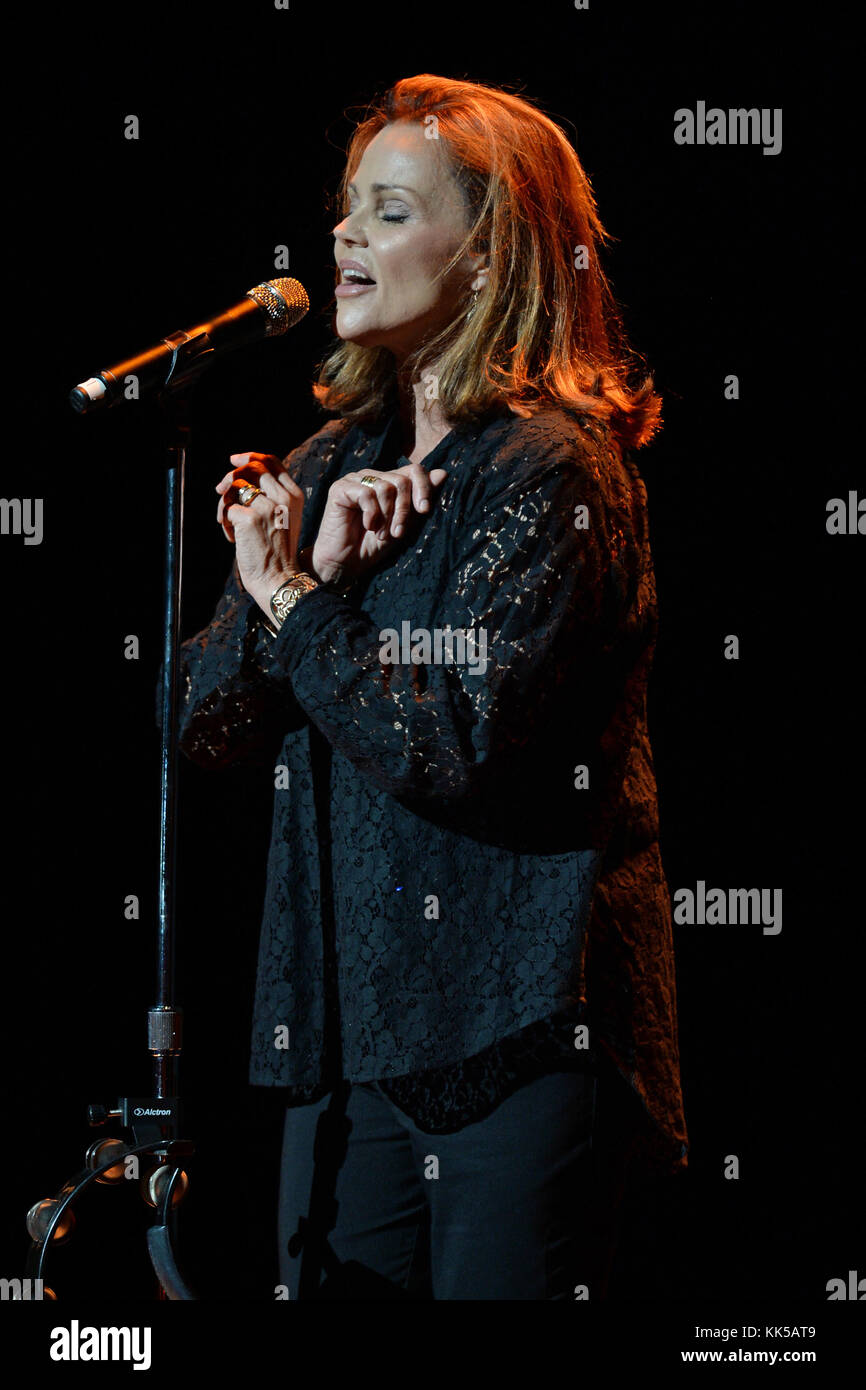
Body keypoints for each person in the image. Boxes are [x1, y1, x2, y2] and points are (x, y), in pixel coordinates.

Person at [165, 73, 688, 1300]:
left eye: (388, 212)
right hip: (347, 1041)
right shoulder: (326, 462)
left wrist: (295, 599)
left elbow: (453, 741)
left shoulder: (550, 472)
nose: (341, 237)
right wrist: (297, 584)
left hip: (519, 1027)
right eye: (344, 209)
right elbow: (200, 723)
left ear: (491, 252)